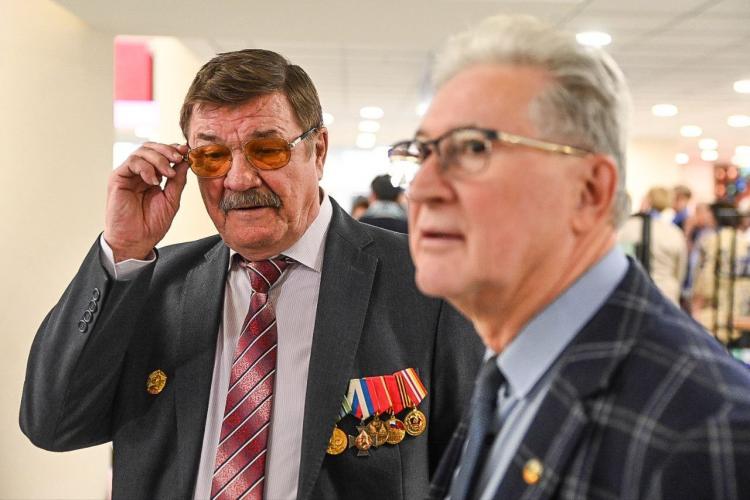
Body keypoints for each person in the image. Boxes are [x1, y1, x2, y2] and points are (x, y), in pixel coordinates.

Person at [20, 49, 482, 500]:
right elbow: (53, 423)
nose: (239, 179)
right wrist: (122, 250)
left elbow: (474, 469)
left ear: (318, 151)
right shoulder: (153, 285)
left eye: (267, 150)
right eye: (212, 156)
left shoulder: (427, 281)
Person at [387, 14, 750, 500]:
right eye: (423, 154)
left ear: (589, 191)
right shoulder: (506, 374)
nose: (422, 189)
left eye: (472, 148)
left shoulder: (707, 432)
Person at [618, 186, 688, 305]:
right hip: (666, 297)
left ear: (647, 200)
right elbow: (680, 270)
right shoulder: (674, 233)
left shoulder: (625, 227)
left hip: (632, 294)